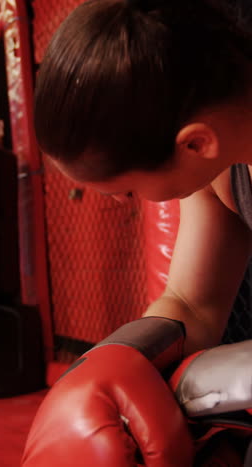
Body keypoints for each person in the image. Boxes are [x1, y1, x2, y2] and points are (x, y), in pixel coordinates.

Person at [34, 0, 252, 356]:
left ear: (195, 143)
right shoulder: (219, 173)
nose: (122, 202)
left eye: (129, 191)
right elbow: (192, 306)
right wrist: (119, 358)